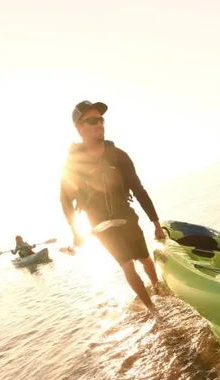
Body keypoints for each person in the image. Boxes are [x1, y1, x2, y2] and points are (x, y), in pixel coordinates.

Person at [60, 100, 165, 311]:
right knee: (127, 265)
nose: (100, 124)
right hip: (100, 225)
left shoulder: (118, 156)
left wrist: (156, 223)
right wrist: (75, 231)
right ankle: (153, 310)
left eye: (101, 119)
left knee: (144, 259)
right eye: (92, 120)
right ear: (79, 127)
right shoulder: (73, 164)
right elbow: (65, 200)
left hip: (126, 216)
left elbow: (139, 190)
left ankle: (157, 288)